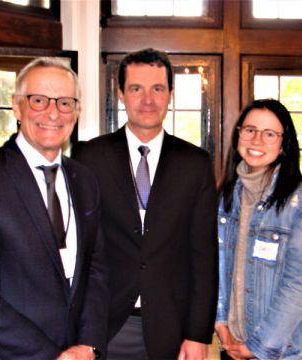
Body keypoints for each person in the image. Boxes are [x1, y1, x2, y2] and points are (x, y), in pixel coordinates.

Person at [0, 57, 109, 360]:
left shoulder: (85, 180)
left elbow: (96, 271)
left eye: (65, 102)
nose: (53, 113)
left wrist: (88, 343)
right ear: (17, 106)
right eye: (38, 100)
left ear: (76, 112)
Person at [72, 48, 218, 359]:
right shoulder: (89, 158)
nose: (147, 99)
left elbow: (204, 256)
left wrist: (197, 333)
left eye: (157, 89)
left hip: (172, 327)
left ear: (170, 95)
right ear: (120, 94)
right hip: (106, 323)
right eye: (136, 88)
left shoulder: (195, 164)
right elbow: (79, 249)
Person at [215, 99, 302, 359]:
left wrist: (257, 347)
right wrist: (220, 322)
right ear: (238, 133)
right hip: (231, 345)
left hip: (277, 352)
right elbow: (218, 265)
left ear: (283, 144)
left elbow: (298, 287)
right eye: (250, 130)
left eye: (269, 134)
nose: (257, 140)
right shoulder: (226, 197)